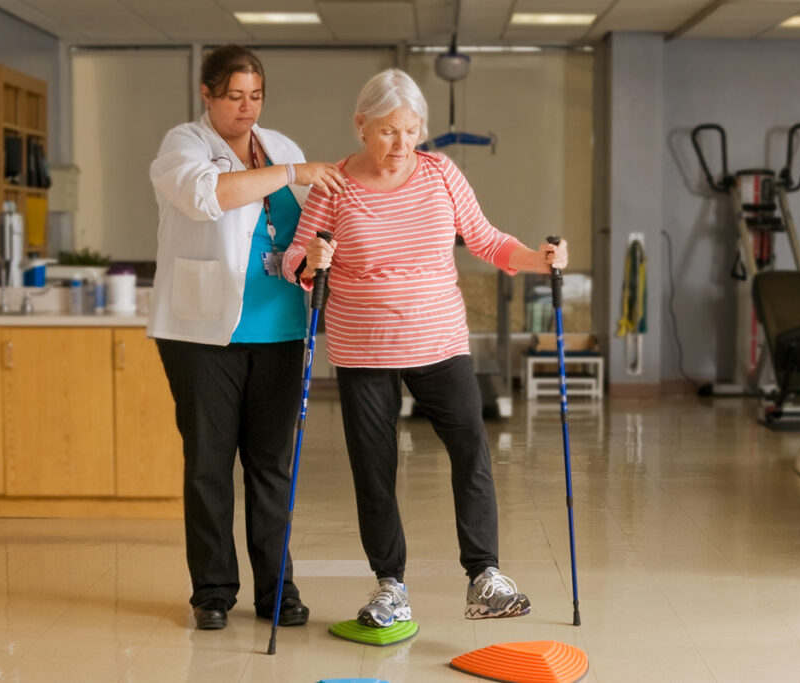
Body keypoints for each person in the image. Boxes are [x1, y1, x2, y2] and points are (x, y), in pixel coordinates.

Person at [283, 68, 566, 628]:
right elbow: (297, 258)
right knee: (374, 468)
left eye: (412, 131)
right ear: (361, 125)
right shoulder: (332, 184)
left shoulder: (441, 172)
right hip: (363, 350)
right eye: (389, 131)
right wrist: (309, 265)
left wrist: (539, 259)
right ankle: (390, 586)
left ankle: (485, 576)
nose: (402, 145)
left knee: (471, 451)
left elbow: (484, 237)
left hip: (439, 340)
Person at [148, 44, 345, 631]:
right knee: (209, 464)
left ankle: (277, 591)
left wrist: (315, 255)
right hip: (204, 333)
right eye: (234, 96)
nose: (247, 108)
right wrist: (293, 174)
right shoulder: (183, 145)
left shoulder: (280, 146)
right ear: (207, 94)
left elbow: (301, 228)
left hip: (281, 329)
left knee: (271, 465)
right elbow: (206, 197)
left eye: (255, 96)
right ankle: (212, 593)